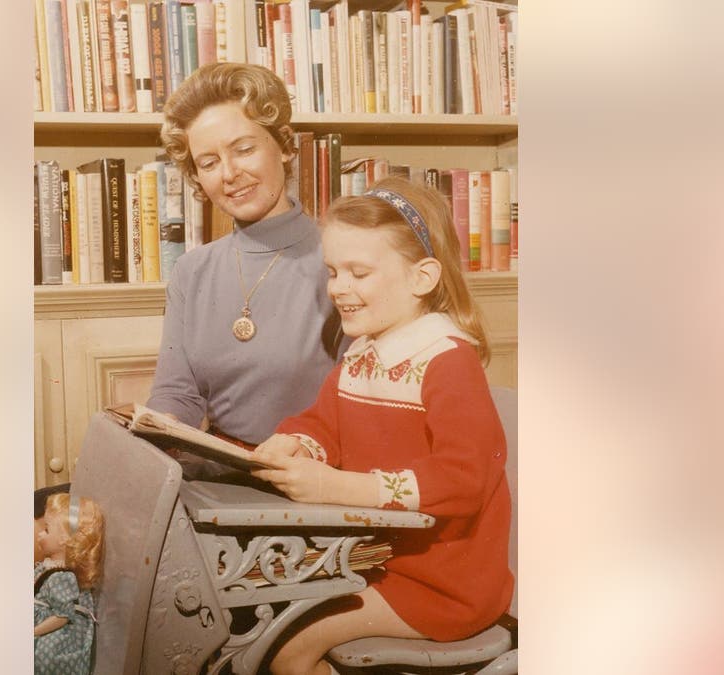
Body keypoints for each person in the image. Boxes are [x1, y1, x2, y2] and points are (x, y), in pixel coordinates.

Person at [250, 177, 514, 675]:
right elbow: (325, 422)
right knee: (260, 618)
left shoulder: (446, 361)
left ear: (422, 278)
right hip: (375, 559)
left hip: (442, 583)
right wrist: (295, 442)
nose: (338, 288)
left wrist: (338, 486)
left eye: (359, 272)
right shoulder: (363, 353)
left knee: (286, 648)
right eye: (332, 271)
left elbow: (463, 480)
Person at [146, 62, 342, 448]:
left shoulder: (342, 258)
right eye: (209, 163)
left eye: (244, 149)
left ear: (284, 147)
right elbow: (178, 394)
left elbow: (362, 406)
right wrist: (158, 426)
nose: (229, 173)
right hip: (220, 471)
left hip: (316, 479)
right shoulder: (191, 271)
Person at [34, 493, 104, 675]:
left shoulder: (62, 577)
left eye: (47, 530)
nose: (40, 534)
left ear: (64, 538)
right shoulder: (49, 566)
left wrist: (34, 631)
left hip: (50, 635)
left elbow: (62, 616)